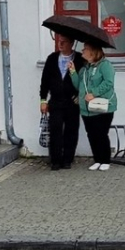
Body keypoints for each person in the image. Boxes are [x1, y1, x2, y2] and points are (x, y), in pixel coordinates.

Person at [39, 34, 85, 170]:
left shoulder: (79, 59)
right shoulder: (52, 58)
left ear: (71, 43)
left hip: (72, 102)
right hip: (56, 101)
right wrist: (43, 100)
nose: (60, 44)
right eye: (59, 41)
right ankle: (55, 160)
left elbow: (84, 80)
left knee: (71, 131)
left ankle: (67, 159)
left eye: (64, 42)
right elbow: (44, 81)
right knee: (55, 130)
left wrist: (80, 95)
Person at [69, 42, 117, 171]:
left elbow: (108, 83)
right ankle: (98, 159)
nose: (82, 51)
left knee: (101, 134)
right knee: (91, 134)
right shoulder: (85, 69)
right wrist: (73, 71)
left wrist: (94, 93)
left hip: (102, 107)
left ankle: (105, 160)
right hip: (87, 109)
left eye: (85, 49)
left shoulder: (105, 65)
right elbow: (78, 85)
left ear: (93, 52)